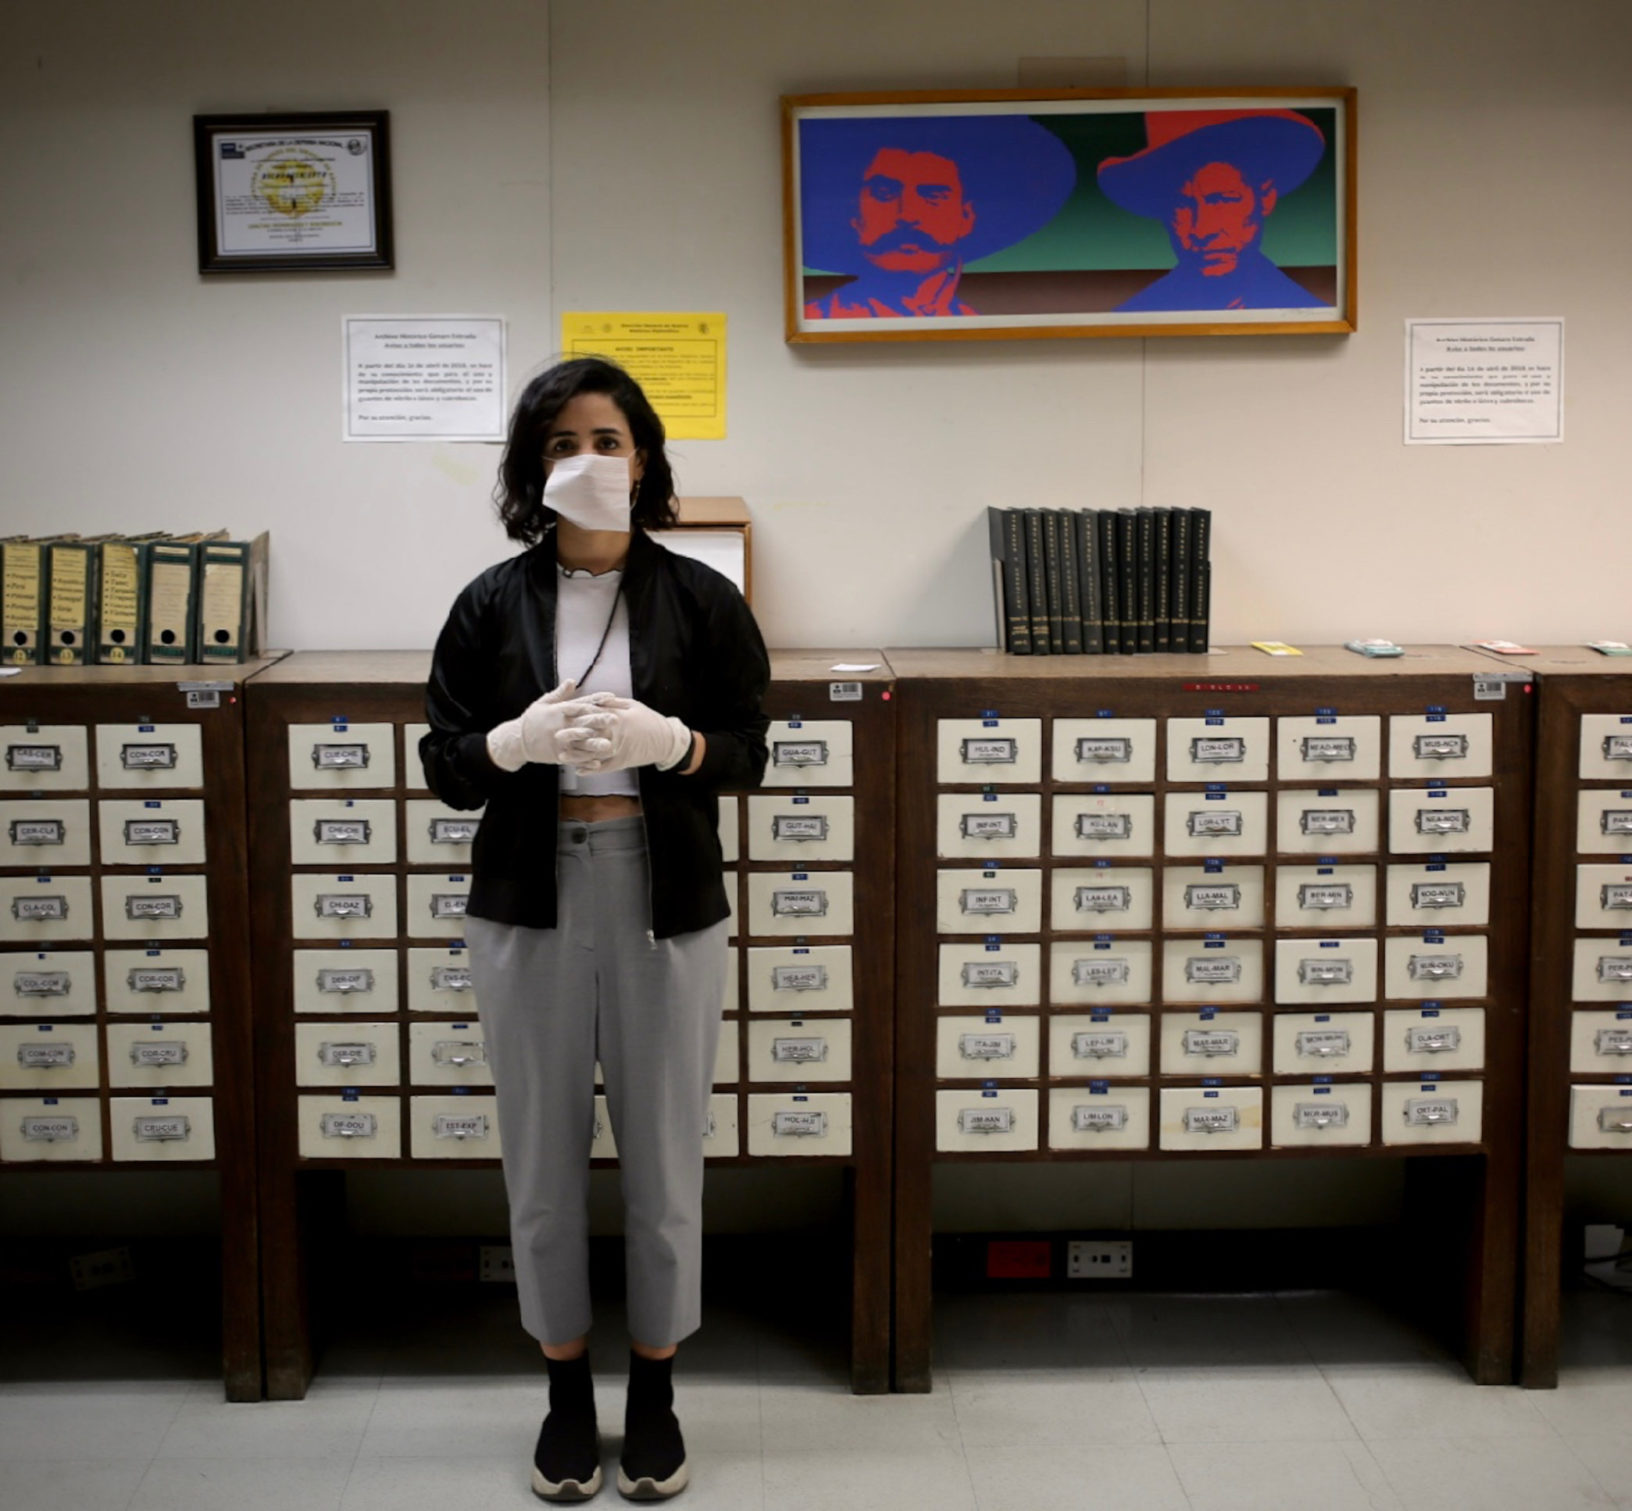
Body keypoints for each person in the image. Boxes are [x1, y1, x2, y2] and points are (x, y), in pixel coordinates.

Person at [420, 355, 768, 1502]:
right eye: (563, 441)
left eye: (608, 439)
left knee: (666, 1154)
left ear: (646, 456)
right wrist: (511, 745)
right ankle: (565, 1390)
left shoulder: (701, 598)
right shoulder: (486, 601)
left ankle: (655, 1387)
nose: (588, 459)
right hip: (529, 888)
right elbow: (447, 767)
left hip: (660, 887)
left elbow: (749, 751)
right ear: (533, 467)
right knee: (540, 1157)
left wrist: (670, 745)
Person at [799, 114, 1074, 318]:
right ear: (855, 217)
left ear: (966, 217)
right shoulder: (818, 318)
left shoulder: (977, 328)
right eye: (884, 193)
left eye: (933, 196)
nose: (907, 215)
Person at [1097, 109, 1332, 312]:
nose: (1203, 229)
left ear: (1265, 199)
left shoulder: (1308, 312)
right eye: (1183, 206)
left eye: (1223, 200)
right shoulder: (1136, 316)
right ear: (1163, 213)